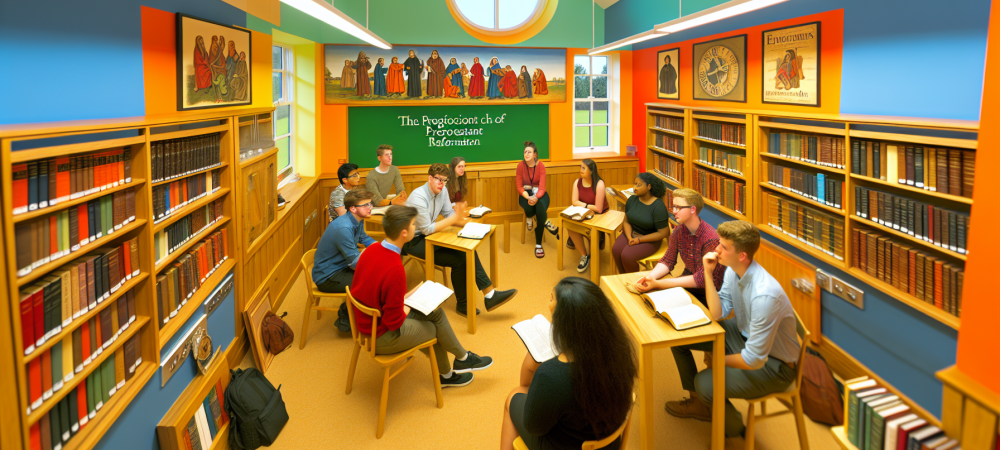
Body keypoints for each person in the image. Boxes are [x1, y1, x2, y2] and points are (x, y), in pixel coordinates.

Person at [665, 221, 800, 443]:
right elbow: (718, 313)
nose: (716, 249)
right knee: (680, 339)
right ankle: (700, 403)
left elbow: (754, 359)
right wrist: (707, 274)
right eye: (719, 243)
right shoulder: (733, 271)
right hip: (742, 335)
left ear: (742, 255)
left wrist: (717, 360)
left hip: (774, 365)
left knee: (704, 383)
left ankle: (734, 426)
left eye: (723, 247)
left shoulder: (764, 296)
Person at [351, 205, 494, 387]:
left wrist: (409, 296)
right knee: (434, 328)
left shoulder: (372, 249)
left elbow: (377, 291)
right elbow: (393, 322)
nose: (416, 227)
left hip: (367, 322)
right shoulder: (395, 269)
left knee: (437, 313)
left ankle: (462, 358)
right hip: (380, 336)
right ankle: (447, 375)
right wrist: (409, 304)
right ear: (404, 233)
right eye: (413, 224)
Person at [500, 277, 637, 450]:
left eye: (551, 299)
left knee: (514, 395)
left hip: (566, 446)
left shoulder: (551, 376)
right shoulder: (619, 350)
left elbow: (534, 427)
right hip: (608, 443)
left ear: (564, 320)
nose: (549, 304)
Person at [404, 164, 518, 316]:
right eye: (438, 179)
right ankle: (474, 301)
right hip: (413, 241)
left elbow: (448, 214)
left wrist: (469, 223)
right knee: (460, 258)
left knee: (465, 251)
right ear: (430, 178)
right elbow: (427, 229)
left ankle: (485, 296)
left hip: (430, 236)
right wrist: (455, 219)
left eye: (445, 180)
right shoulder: (418, 197)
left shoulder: (442, 190)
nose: (442, 184)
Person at [634, 188, 726, 306]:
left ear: (693, 209)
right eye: (674, 207)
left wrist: (658, 284)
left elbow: (702, 279)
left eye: (679, 208)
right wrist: (649, 277)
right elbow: (668, 260)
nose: (674, 211)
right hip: (688, 279)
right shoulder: (678, 231)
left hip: (709, 291)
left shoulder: (710, 239)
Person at [313, 189, 376, 331]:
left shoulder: (357, 219)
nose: (370, 207)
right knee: (371, 282)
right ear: (353, 208)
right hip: (328, 277)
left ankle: (354, 312)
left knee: (374, 276)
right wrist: (375, 261)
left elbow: (364, 238)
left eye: (370, 204)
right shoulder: (343, 228)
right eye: (366, 205)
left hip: (340, 266)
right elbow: (355, 263)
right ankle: (345, 319)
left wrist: (380, 248)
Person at [612, 173, 670, 273]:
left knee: (627, 255)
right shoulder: (631, 200)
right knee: (616, 250)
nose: (635, 188)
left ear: (649, 186)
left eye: (639, 185)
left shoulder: (658, 206)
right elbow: (626, 221)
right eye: (634, 184)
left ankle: (634, 280)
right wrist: (629, 237)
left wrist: (639, 240)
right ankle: (624, 277)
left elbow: (663, 233)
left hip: (650, 238)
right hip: (632, 233)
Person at [517, 141, 558, 258]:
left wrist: (536, 197)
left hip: (540, 194)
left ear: (535, 154)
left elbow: (542, 188)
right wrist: (528, 197)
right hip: (525, 195)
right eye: (525, 152)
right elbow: (519, 186)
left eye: (529, 152)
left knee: (539, 207)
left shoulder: (541, 166)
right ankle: (544, 221)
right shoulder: (520, 166)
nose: (526, 154)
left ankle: (538, 244)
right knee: (531, 209)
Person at [565, 159, 607, 271]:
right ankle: (584, 255)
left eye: (584, 168)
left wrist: (583, 204)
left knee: (594, 243)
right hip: (584, 212)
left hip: (598, 215)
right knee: (570, 226)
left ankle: (600, 236)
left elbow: (598, 209)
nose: (581, 170)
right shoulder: (577, 182)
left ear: (591, 171)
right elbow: (574, 201)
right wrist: (588, 206)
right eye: (580, 167)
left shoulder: (599, 184)